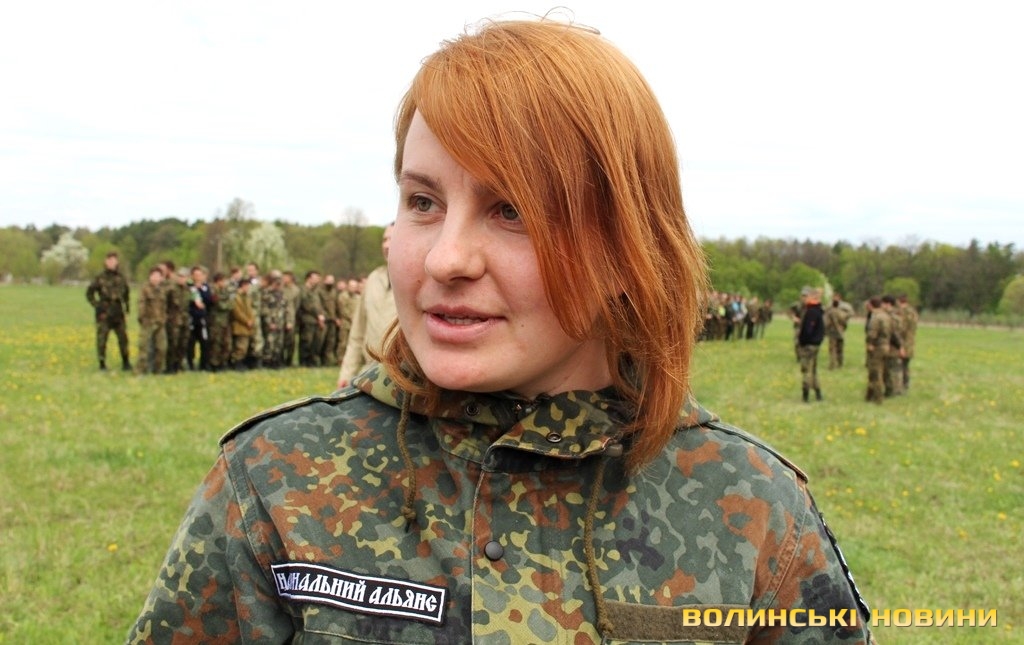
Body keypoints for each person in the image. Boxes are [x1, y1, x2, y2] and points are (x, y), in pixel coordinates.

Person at [127, 19, 873, 644]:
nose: (446, 258)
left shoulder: (749, 505)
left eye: (511, 210)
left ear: (626, 247)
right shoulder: (277, 478)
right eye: (423, 201)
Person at [337, 224, 396, 387]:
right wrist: (346, 375)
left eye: (392, 239)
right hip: (370, 375)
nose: (386, 245)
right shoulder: (373, 279)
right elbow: (357, 333)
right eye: (384, 239)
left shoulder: (421, 281)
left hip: (407, 380)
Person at [85, 250, 131, 371]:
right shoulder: (100, 277)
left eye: (114, 260)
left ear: (117, 262)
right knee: (102, 339)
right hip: (104, 313)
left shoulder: (121, 277)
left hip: (118, 312)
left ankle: (126, 362)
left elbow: (126, 294)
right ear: (106, 262)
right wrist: (96, 305)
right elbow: (89, 293)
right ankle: (102, 363)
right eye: (109, 260)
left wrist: (127, 309)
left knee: (123, 339)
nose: (112, 263)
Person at [135, 266, 167, 375]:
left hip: (160, 323)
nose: (156, 278)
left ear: (161, 278)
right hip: (148, 322)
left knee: (161, 348)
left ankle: (157, 370)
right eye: (154, 276)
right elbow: (141, 304)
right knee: (144, 348)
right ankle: (140, 370)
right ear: (150, 276)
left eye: (158, 276)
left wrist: (163, 318)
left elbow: (164, 306)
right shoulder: (145, 289)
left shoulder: (162, 290)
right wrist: (142, 318)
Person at [797, 288, 825, 401]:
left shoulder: (811, 312)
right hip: (816, 344)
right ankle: (818, 393)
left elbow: (808, 330)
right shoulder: (818, 310)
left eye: (807, 296)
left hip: (809, 345)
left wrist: (802, 341)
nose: (804, 299)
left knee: (806, 370)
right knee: (813, 370)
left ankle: (806, 394)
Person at [864, 296, 891, 404]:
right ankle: (869, 396)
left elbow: (872, 333)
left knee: (875, 372)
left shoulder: (875, 317)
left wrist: (870, 343)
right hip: (886, 345)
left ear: (871, 305)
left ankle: (878, 397)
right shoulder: (886, 316)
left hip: (877, 347)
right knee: (881, 370)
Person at [823, 291, 855, 369]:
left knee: (836, 348)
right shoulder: (832, 307)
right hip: (837, 330)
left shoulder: (843, 307)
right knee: (836, 348)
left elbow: (851, 313)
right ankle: (837, 363)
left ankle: (836, 364)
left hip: (837, 329)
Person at [898, 293, 919, 389]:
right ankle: (905, 385)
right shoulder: (913, 312)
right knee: (905, 366)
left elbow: (902, 329)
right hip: (910, 342)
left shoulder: (903, 313)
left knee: (900, 366)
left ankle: (901, 385)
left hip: (903, 342)